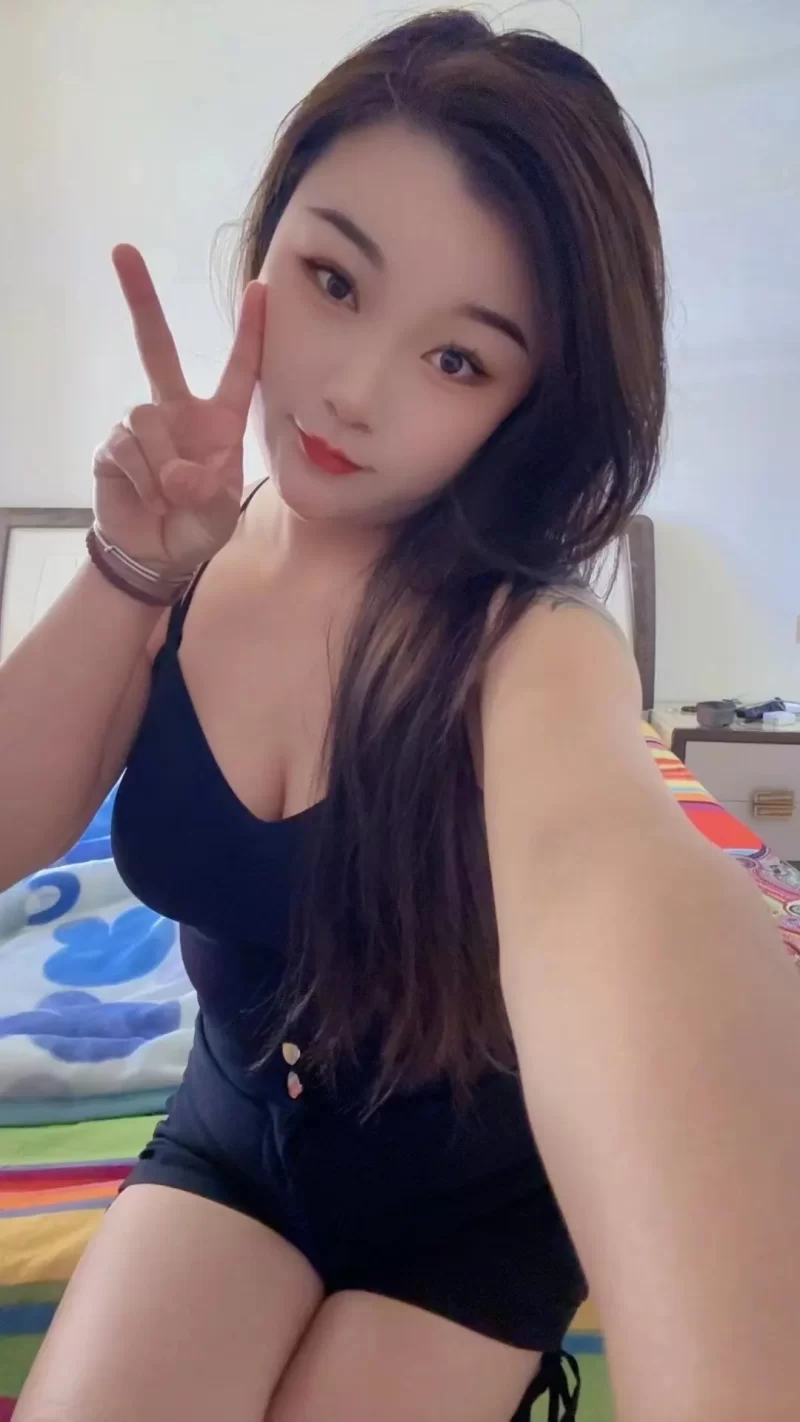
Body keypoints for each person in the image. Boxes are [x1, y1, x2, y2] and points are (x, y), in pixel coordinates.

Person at [4, 11, 799, 1421]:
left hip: (478, 1210)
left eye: (459, 361)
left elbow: (622, 888)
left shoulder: (531, 642)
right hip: (236, 1136)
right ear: (269, 238)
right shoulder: (179, 558)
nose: (352, 390)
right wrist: (131, 566)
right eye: (334, 280)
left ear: (529, 409)